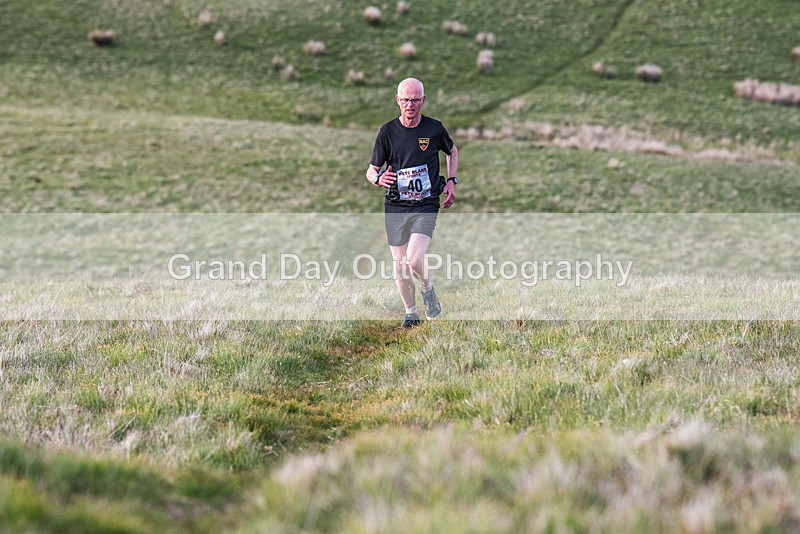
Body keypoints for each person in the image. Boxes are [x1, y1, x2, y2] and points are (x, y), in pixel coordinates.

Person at [366, 77, 459, 328]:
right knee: (400, 265)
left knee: (414, 259)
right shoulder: (387, 132)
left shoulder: (434, 129)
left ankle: (428, 290)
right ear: (397, 101)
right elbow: (371, 170)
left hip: (426, 203)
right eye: (405, 100)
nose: (410, 105)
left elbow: (452, 151)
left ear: (423, 101)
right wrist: (378, 179)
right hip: (396, 205)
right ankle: (411, 312)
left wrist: (451, 180)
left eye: (415, 100)